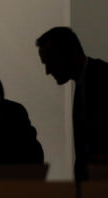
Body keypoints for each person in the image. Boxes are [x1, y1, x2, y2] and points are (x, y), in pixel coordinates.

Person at [37, 26, 108, 180]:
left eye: (50, 62)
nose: (48, 71)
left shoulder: (100, 80)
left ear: (68, 53)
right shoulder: (91, 80)